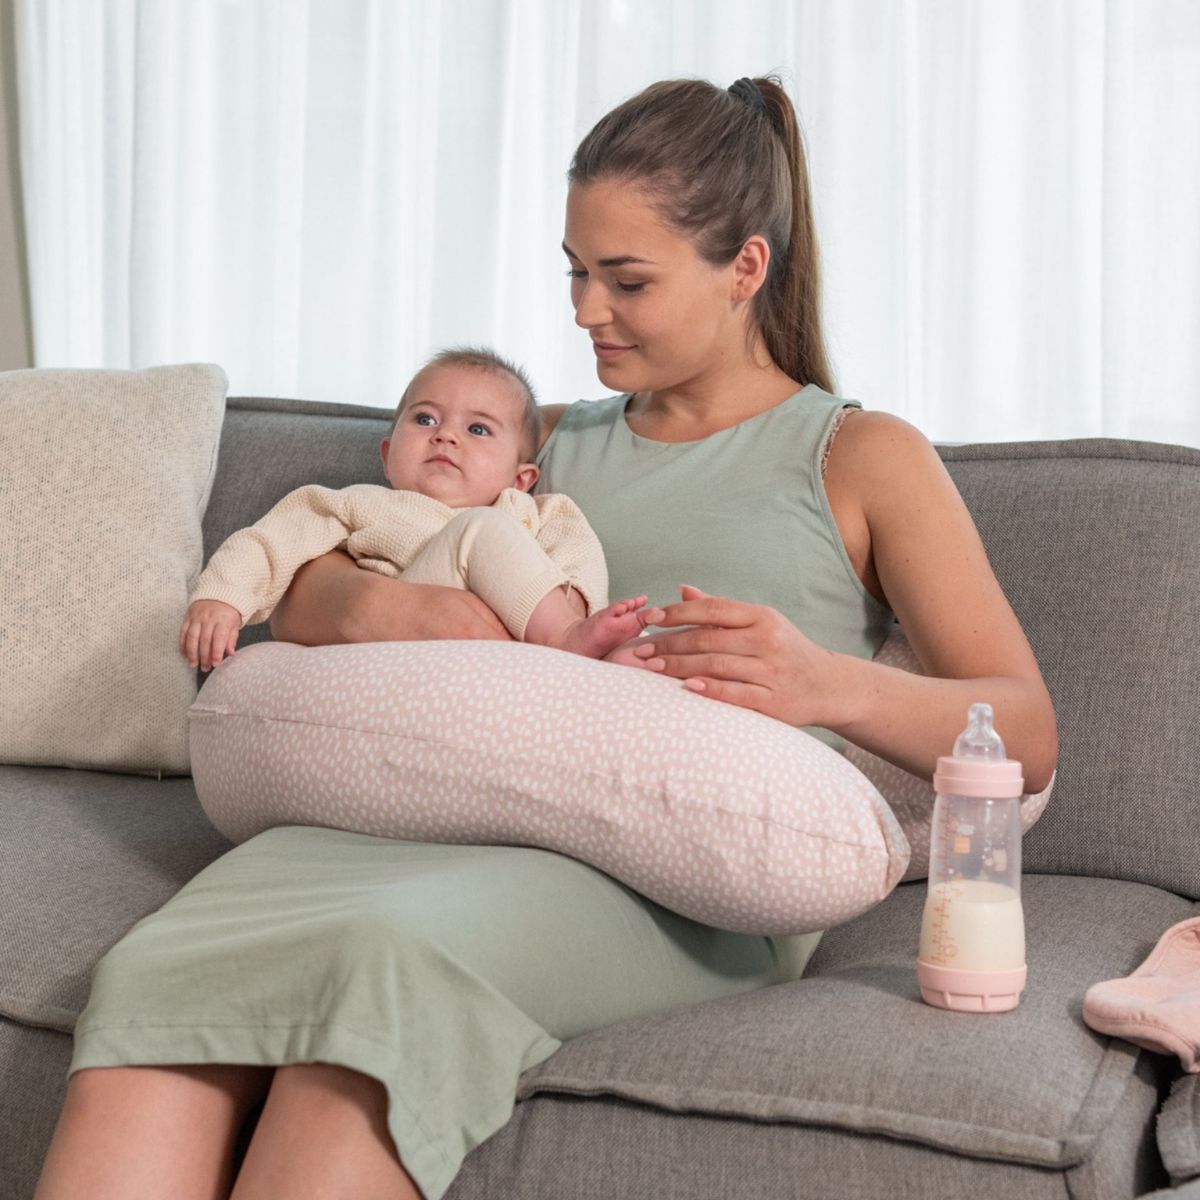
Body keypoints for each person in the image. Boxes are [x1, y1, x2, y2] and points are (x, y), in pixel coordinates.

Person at [36, 75, 1057, 1200]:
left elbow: (1024, 728)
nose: (583, 311)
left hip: (676, 872)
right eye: (574, 271)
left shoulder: (860, 456)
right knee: (169, 970)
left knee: (387, 967)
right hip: (426, 807)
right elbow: (329, 572)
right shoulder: (540, 440)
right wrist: (382, 609)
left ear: (744, 270)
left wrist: (827, 686)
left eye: (625, 280)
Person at [178, 346, 660, 673]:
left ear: (521, 477)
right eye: (425, 418)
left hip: (509, 659)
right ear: (387, 455)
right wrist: (221, 598)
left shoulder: (538, 513)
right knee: (481, 528)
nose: (445, 434)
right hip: (402, 641)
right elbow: (270, 542)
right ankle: (565, 641)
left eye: (478, 430)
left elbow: (578, 555)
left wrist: (574, 605)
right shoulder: (357, 504)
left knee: (490, 527)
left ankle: (565, 633)